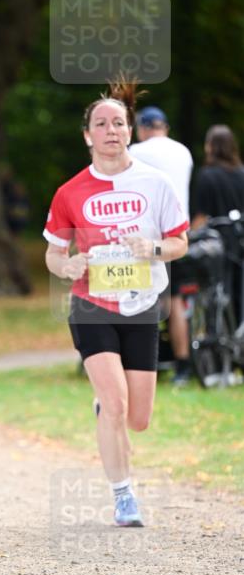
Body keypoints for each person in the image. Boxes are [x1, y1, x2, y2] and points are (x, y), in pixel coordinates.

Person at [44, 78, 188, 527]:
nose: (111, 130)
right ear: (87, 135)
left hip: (143, 304)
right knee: (117, 403)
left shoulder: (156, 184)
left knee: (138, 419)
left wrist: (155, 250)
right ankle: (124, 497)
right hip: (92, 305)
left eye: (119, 123)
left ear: (130, 130)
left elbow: (180, 242)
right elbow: (53, 253)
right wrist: (67, 267)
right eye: (101, 124)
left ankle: (108, 408)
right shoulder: (70, 192)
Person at [129, 106, 193, 384]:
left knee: (143, 300)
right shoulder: (183, 152)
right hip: (179, 235)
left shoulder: (136, 152)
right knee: (176, 301)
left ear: (142, 128)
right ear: (164, 127)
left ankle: (144, 362)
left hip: (147, 237)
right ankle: (183, 363)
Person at [193, 125, 244, 324]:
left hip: (216, 240)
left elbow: (202, 215)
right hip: (240, 237)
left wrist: (188, 235)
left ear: (210, 146)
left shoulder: (207, 175)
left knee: (219, 286)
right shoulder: (242, 173)